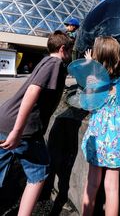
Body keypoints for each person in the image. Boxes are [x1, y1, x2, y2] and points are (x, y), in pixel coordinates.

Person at [0, 30, 73, 216]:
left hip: (3, 120)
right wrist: (17, 131)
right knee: (38, 174)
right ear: (63, 49)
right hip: (23, 129)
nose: (71, 55)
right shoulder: (55, 63)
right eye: (71, 50)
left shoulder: (45, 61)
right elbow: (32, 92)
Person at [81, 36, 120, 216]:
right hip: (117, 136)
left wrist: (89, 65)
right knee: (112, 187)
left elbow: (89, 105)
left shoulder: (93, 81)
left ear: (97, 57)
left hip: (98, 135)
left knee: (92, 183)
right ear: (117, 58)